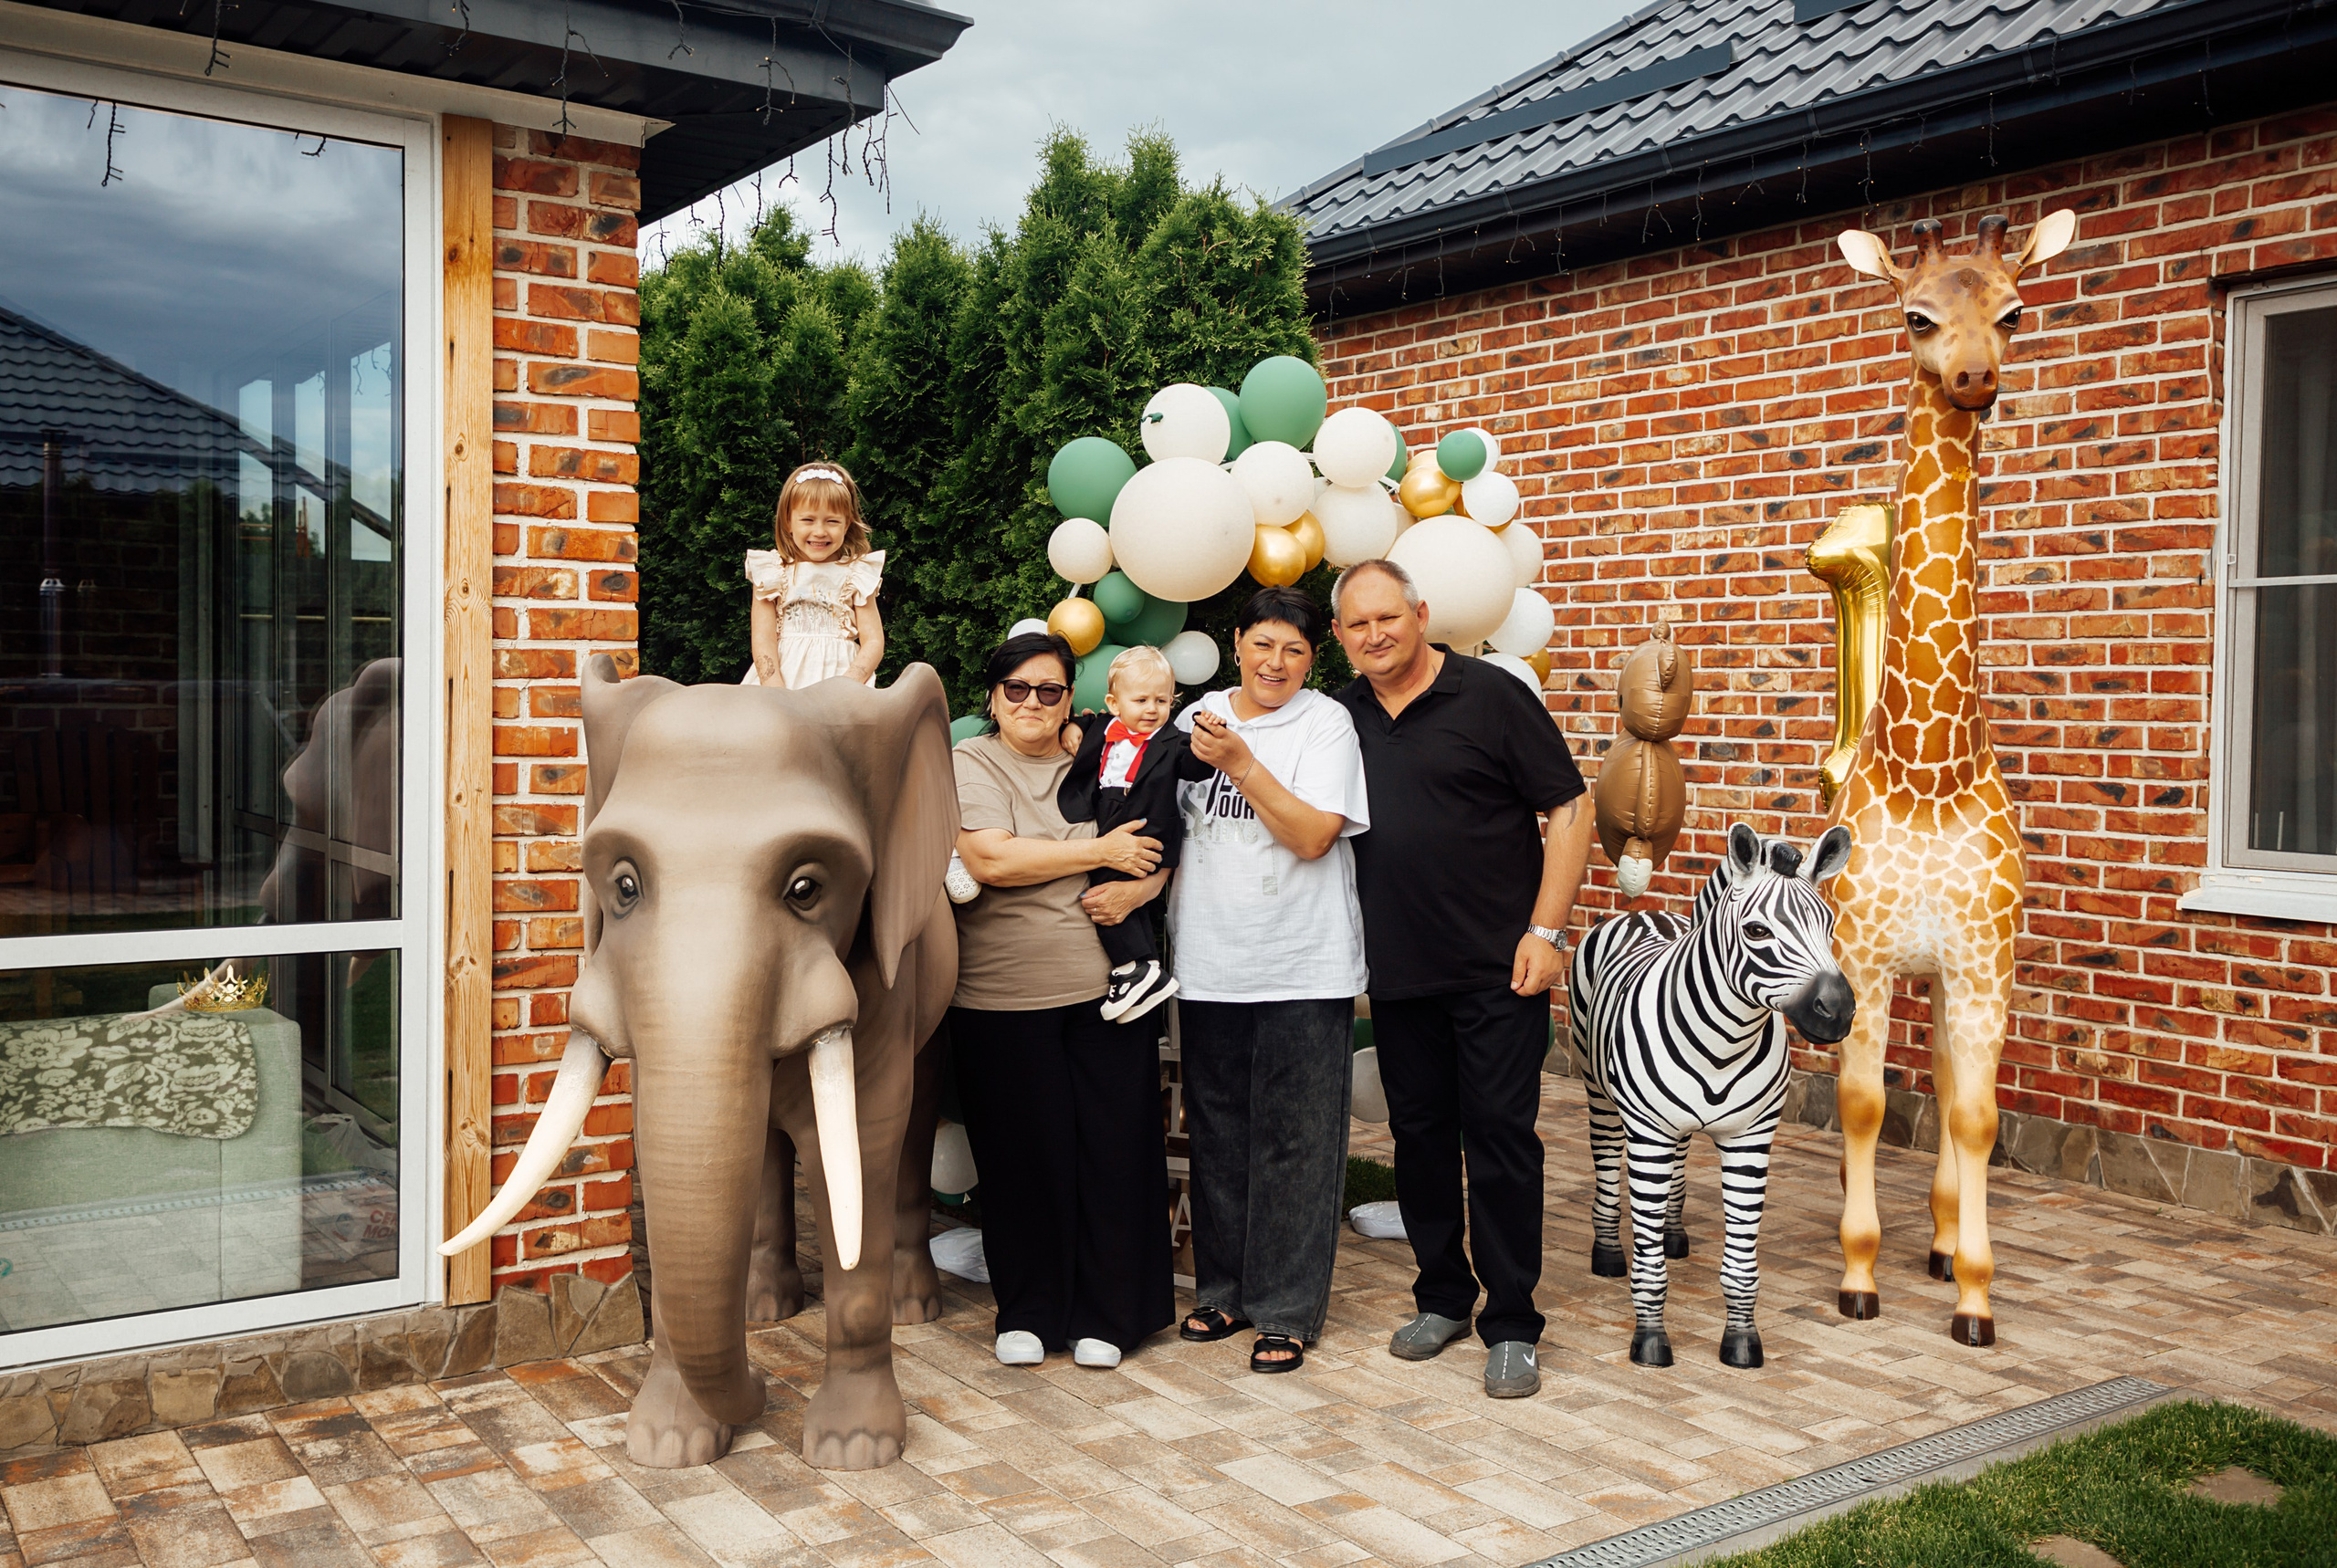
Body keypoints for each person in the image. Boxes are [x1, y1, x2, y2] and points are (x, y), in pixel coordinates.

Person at [1331, 559, 1592, 1400]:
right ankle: (1442, 1295)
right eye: (1357, 625)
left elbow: (1570, 806)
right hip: (1399, 974)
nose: (1375, 635)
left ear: (1421, 614)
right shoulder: (1339, 718)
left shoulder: (1490, 695)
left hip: (1499, 971)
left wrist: (1546, 932)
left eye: (1388, 618)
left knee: (1502, 1144)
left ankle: (1512, 1321)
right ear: (1340, 638)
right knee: (1418, 1143)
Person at [948, 631, 1176, 1371]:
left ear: (1070, 698)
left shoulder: (1102, 759)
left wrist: (1140, 879)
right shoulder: (971, 761)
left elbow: (1157, 842)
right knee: (1022, 1163)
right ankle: (1029, 1310)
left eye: (1050, 690)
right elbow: (991, 857)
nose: (1033, 704)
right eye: (1017, 689)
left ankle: (1110, 1315)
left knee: (1115, 1155)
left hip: (1107, 994)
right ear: (993, 696)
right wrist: (1098, 853)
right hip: (1002, 997)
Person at [1168, 586, 1370, 1376]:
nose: (1275, 663)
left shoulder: (1324, 724)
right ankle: (1223, 1290)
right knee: (1219, 1132)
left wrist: (1244, 765)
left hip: (1301, 963)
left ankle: (1286, 1310)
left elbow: (1315, 835)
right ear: (1238, 642)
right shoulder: (1197, 718)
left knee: (1298, 1142)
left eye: (1293, 650)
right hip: (1211, 963)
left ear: (1310, 658)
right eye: (1262, 644)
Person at [1057, 644, 1213, 1023]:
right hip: (1109, 821)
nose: (1152, 708)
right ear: (1114, 702)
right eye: (1141, 699)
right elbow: (1078, 723)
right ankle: (1146, 969)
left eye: (1162, 700)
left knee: (1104, 894)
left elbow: (1196, 768)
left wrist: (1208, 741)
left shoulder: (1173, 741)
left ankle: (1133, 967)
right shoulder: (1100, 730)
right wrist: (1073, 727)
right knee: (1128, 900)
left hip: (1148, 831)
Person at [743, 461, 885, 688]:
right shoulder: (771, 572)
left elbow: (874, 641)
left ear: (847, 524)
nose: (819, 531)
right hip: (781, 683)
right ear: (789, 521)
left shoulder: (856, 574)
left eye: (832, 521)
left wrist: (850, 682)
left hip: (840, 681)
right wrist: (773, 687)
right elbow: (762, 638)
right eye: (808, 520)